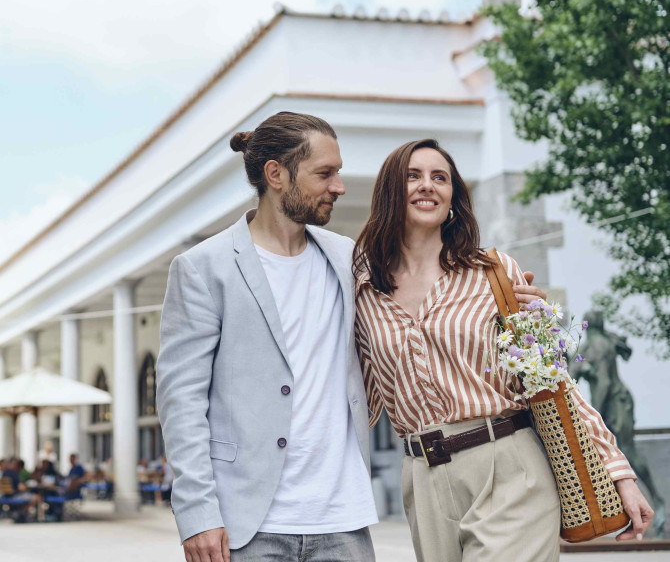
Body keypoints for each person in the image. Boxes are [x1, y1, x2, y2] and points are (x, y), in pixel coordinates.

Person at [353, 139, 654, 562]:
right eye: (412, 176)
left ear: (453, 197)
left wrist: (618, 472)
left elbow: (551, 380)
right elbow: (357, 401)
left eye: (440, 178)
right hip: (422, 479)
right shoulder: (363, 290)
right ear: (388, 192)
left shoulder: (493, 273)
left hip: (509, 468)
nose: (428, 186)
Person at [157, 112, 380, 562]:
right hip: (248, 527)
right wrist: (198, 513)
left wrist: (507, 292)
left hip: (342, 519)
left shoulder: (349, 259)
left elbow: (422, 295)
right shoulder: (203, 268)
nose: (339, 186)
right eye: (325, 173)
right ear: (275, 174)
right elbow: (181, 400)